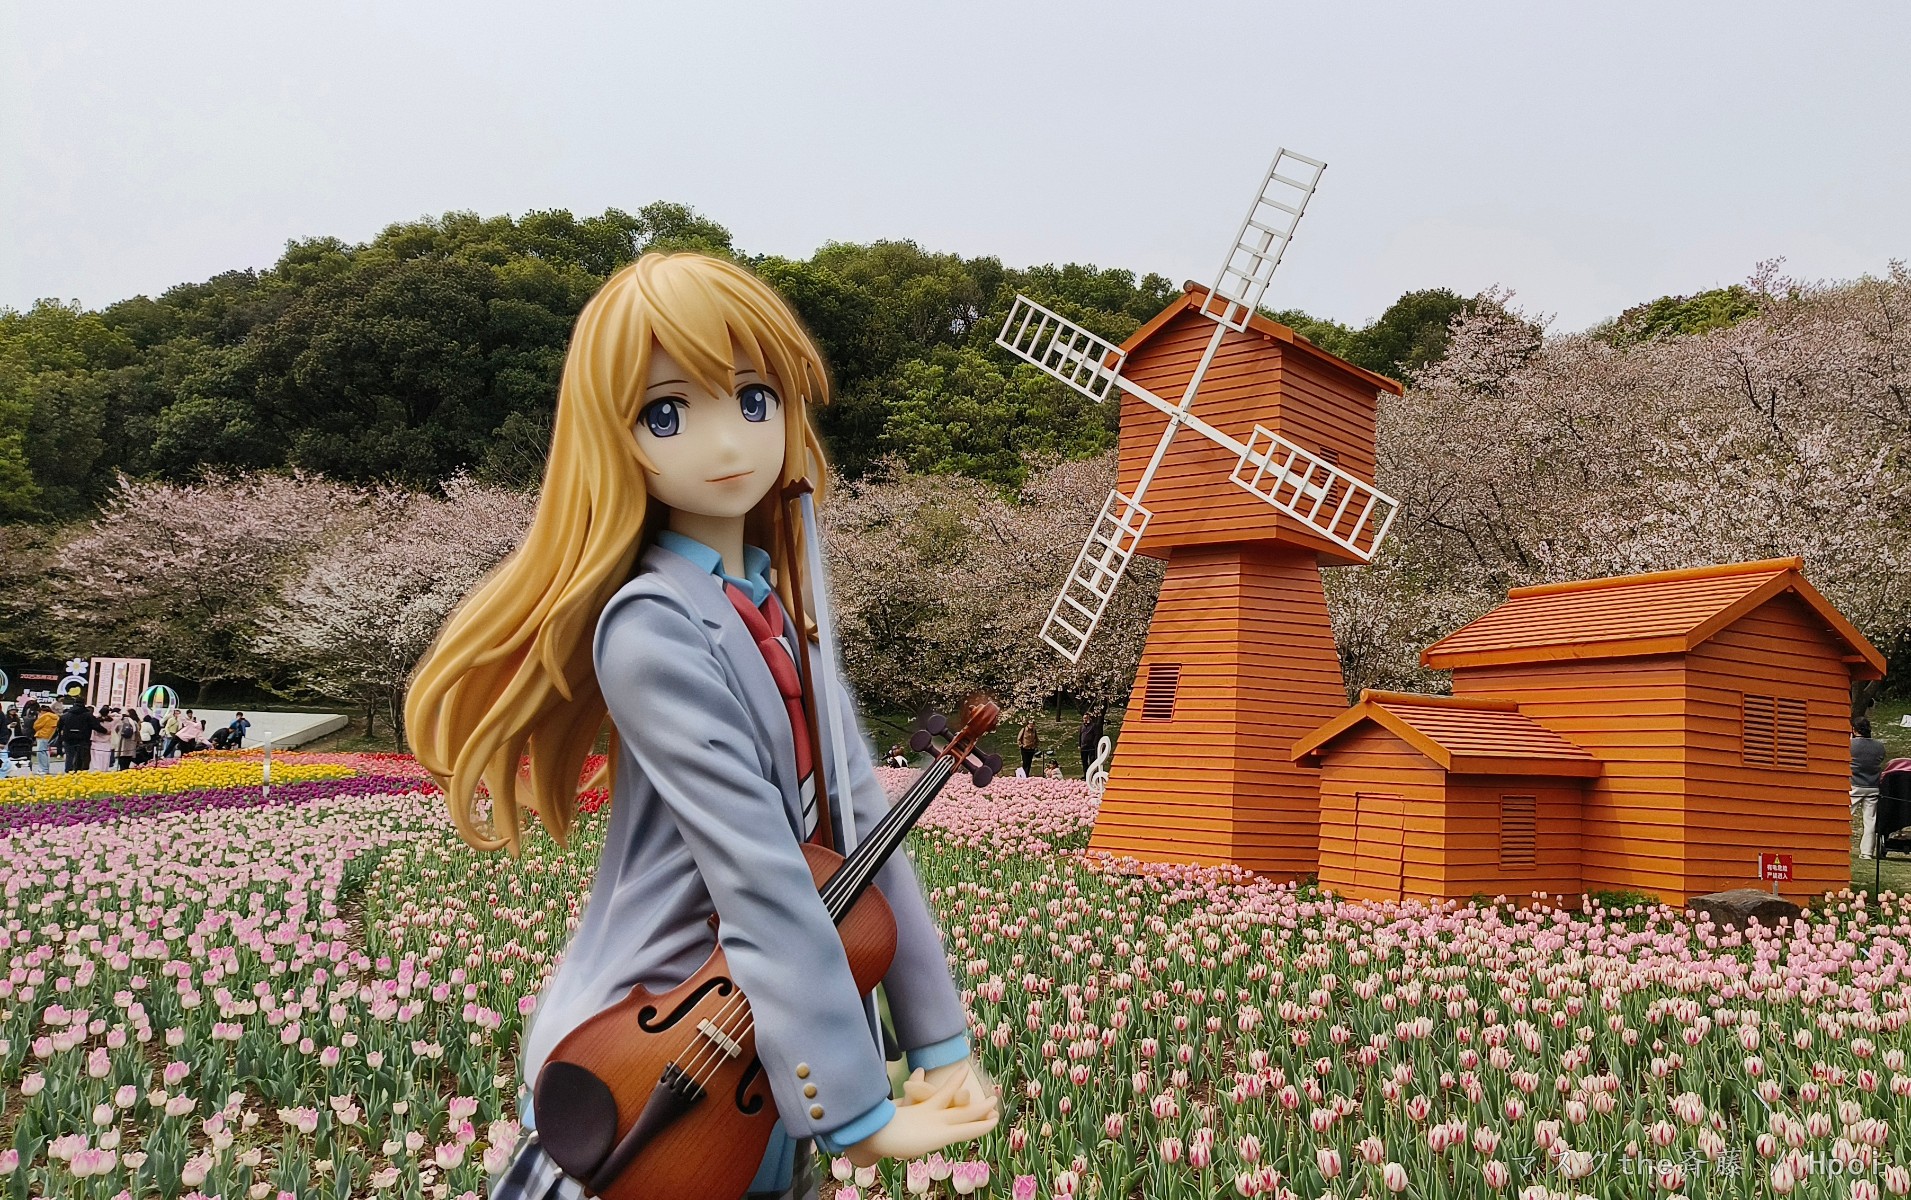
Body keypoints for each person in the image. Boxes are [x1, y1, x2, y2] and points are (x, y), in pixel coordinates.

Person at [405, 253, 998, 1200]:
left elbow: (863, 830)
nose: (728, 441)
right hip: (659, 1056)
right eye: (667, 413)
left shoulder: (780, 612)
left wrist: (938, 1038)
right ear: (612, 439)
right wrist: (857, 1113)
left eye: (755, 400)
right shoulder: (650, 627)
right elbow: (758, 875)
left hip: (761, 1065)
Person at [1853, 718, 1889, 858]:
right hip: (1873, 786)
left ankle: (1835, 845)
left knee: (1844, 816)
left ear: (1854, 729)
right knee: (1870, 821)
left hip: (1854, 785)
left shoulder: (1850, 745)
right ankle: (1867, 852)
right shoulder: (1879, 746)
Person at [58, 702, 103, 773]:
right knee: (81, 756)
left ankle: (68, 770)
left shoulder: (65, 715)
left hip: (68, 738)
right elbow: (96, 726)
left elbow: (59, 726)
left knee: (69, 755)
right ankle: (79, 771)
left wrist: (61, 736)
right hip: (83, 738)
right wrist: (105, 731)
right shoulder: (88, 715)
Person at [1078, 705, 1106, 776]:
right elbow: (1080, 736)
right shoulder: (1082, 727)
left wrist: (1094, 743)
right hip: (1083, 747)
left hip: (1091, 747)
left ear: (1089, 718)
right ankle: (1085, 775)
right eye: (1084, 718)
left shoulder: (1093, 726)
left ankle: (1092, 774)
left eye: (1086, 718)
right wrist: (1079, 745)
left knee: (1092, 761)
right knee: (1084, 761)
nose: (1085, 719)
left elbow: (1096, 735)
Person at [32, 703, 57, 774]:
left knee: (41, 753)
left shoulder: (44, 716)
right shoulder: (55, 717)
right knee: (46, 753)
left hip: (42, 735)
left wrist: (39, 718)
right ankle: (46, 768)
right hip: (49, 735)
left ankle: (43, 769)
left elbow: (36, 726)